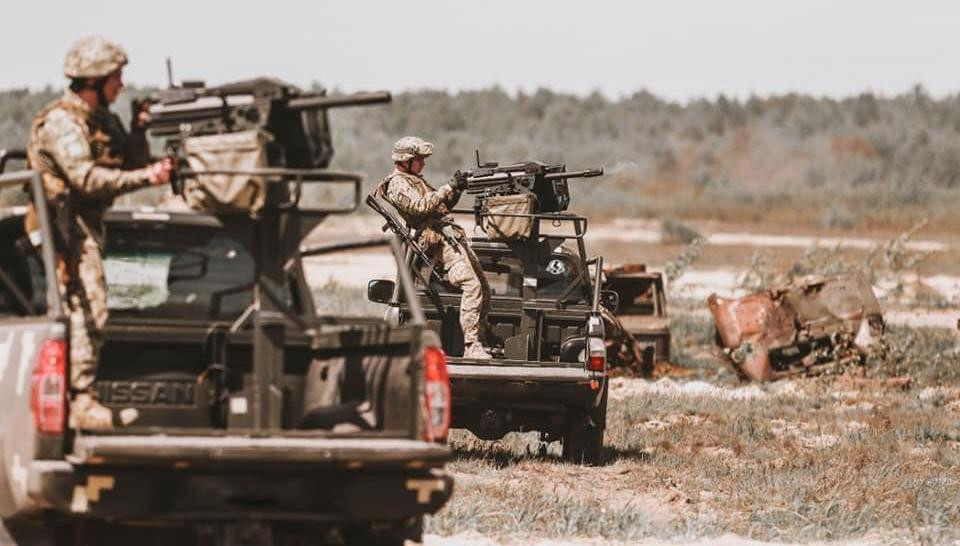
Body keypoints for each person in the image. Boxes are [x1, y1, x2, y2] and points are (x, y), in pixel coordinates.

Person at [26, 36, 172, 430]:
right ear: (94, 81)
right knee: (85, 309)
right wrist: (148, 177)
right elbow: (87, 179)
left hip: (85, 226)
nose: (121, 85)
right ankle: (81, 400)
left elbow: (129, 160)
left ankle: (82, 398)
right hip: (62, 230)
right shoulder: (62, 123)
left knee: (93, 310)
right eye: (115, 78)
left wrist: (140, 130)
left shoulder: (102, 122)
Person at [376, 136, 493, 359]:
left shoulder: (415, 180)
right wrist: (447, 186)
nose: (423, 163)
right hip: (436, 239)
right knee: (472, 286)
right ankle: (471, 346)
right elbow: (420, 207)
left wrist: (456, 189)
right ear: (406, 160)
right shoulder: (397, 183)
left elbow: (442, 206)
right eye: (419, 159)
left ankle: (481, 340)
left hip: (449, 234)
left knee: (484, 289)